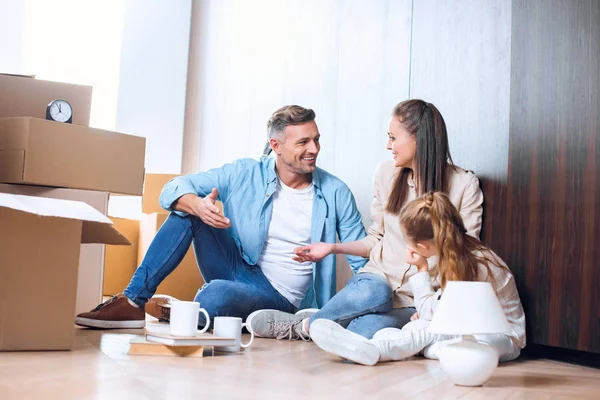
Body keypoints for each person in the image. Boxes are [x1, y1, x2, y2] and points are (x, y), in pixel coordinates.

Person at [75, 105, 367, 334]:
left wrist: (367, 311)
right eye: (303, 142)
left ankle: (188, 311)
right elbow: (173, 188)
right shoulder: (245, 172)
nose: (314, 149)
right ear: (276, 146)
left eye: (316, 140)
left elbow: (363, 259)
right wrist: (196, 205)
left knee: (214, 297)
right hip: (238, 267)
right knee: (186, 209)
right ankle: (133, 301)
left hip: (280, 298)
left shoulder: (335, 191)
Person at [247, 99, 483, 340]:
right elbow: (375, 239)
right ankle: (310, 324)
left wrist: (434, 308)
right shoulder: (385, 174)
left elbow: (464, 255)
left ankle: (310, 323)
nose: (388, 145)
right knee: (375, 294)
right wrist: (332, 248)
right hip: (376, 281)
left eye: (393, 138)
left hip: (418, 297)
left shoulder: (464, 185)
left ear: (418, 140)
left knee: (361, 334)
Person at [309, 191, 526, 365]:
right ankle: (380, 344)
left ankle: (377, 349)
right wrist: (430, 312)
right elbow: (436, 312)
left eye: (408, 242)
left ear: (422, 247)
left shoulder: (473, 264)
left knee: (424, 332)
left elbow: (437, 317)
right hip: (465, 329)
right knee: (416, 333)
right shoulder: (456, 254)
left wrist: (422, 272)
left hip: (500, 337)